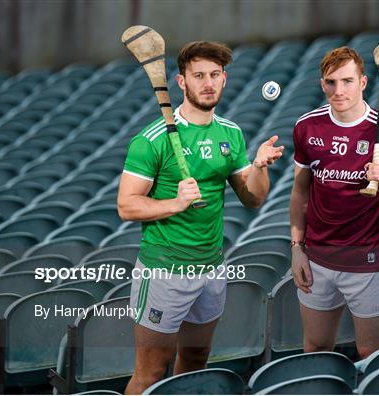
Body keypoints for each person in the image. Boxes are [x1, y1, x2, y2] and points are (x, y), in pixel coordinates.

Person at [118, 41, 283, 394]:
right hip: (164, 270)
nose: (208, 83)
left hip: (211, 270)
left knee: (196, 362)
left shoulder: (230, 133)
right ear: (181, 82)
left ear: (224, 79)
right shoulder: (151, 140)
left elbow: (252, 198)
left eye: (214, 75)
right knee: (150, 371)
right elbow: (127, 205)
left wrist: (258, 166)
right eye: (198, 76)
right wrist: (174, 204)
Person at [289, 46, 379, 359]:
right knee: (315, 350)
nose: (339, 90)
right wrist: (296, 247)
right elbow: (300, 193)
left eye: (348, 81)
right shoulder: (307, 127)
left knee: (373, 355)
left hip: (369, 263)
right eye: (331, 82)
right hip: (317, 261)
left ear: (364, 82)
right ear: (322, 84)